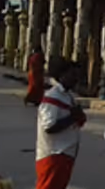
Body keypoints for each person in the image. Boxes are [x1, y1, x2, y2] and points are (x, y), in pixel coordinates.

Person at [36, 58, 86, 189]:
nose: (76, 79)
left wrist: (77, 116)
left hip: (65, 154)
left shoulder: (68, 96)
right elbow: (49, 126)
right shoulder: (53, 96)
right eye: (73, 75)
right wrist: (72, 117)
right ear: (62, 75)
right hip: (54, 155)